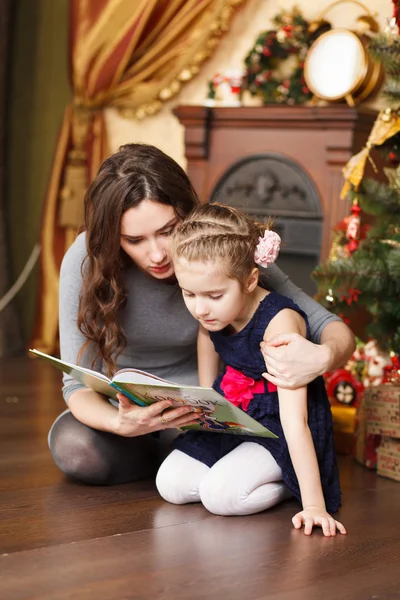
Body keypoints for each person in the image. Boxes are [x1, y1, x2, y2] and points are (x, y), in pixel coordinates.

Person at [49, 143, 355, 486]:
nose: (158, 254)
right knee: (74, 447)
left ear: (186, 211)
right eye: (134, 240)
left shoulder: (213, 246)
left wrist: (324, 356)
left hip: (210, 415)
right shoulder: (86, 259)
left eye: (169, 231)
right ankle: (178, 462)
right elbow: (77, 384)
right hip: (130, 414)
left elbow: (330, 326)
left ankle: (198, 462)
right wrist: (122, 424)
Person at [155, 203, 347, 537]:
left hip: (280, 426)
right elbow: (206, 337)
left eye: (214, 295)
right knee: (170, 484)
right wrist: (207, 405)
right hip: (238, 413)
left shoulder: (279, 324)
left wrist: (314, 505)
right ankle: (237, 471)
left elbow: (295, 422)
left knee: (221, 497)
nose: (200, 308)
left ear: (250, 280)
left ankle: (290, 483)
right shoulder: (211, 313)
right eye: (189, 294)